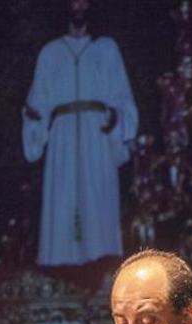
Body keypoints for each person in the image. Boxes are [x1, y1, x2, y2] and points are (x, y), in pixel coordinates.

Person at [22, 0, 138, 266]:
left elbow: (124, 98)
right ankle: (58, 277)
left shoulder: (107, 49)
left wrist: (115, 119)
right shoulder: (50, 53)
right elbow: (37, 103)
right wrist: (34, 121)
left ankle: (103, 274)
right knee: (61, 206)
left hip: (97, 138)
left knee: (99, 206)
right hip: (61, 141)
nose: (78, 6)